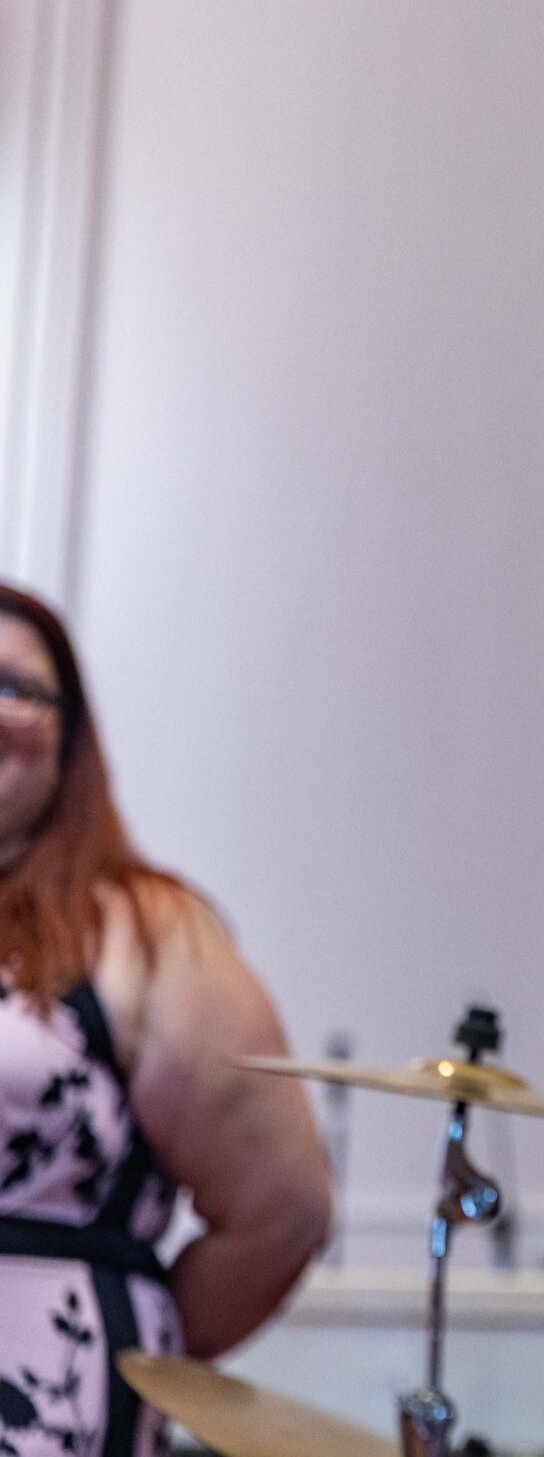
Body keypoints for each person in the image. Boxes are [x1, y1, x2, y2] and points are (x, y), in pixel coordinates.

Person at [0, 585, 331, 1457]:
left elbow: (282, 1208)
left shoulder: (145, 929)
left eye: (15, 687)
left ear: (70, 737)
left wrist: (133, 1345)